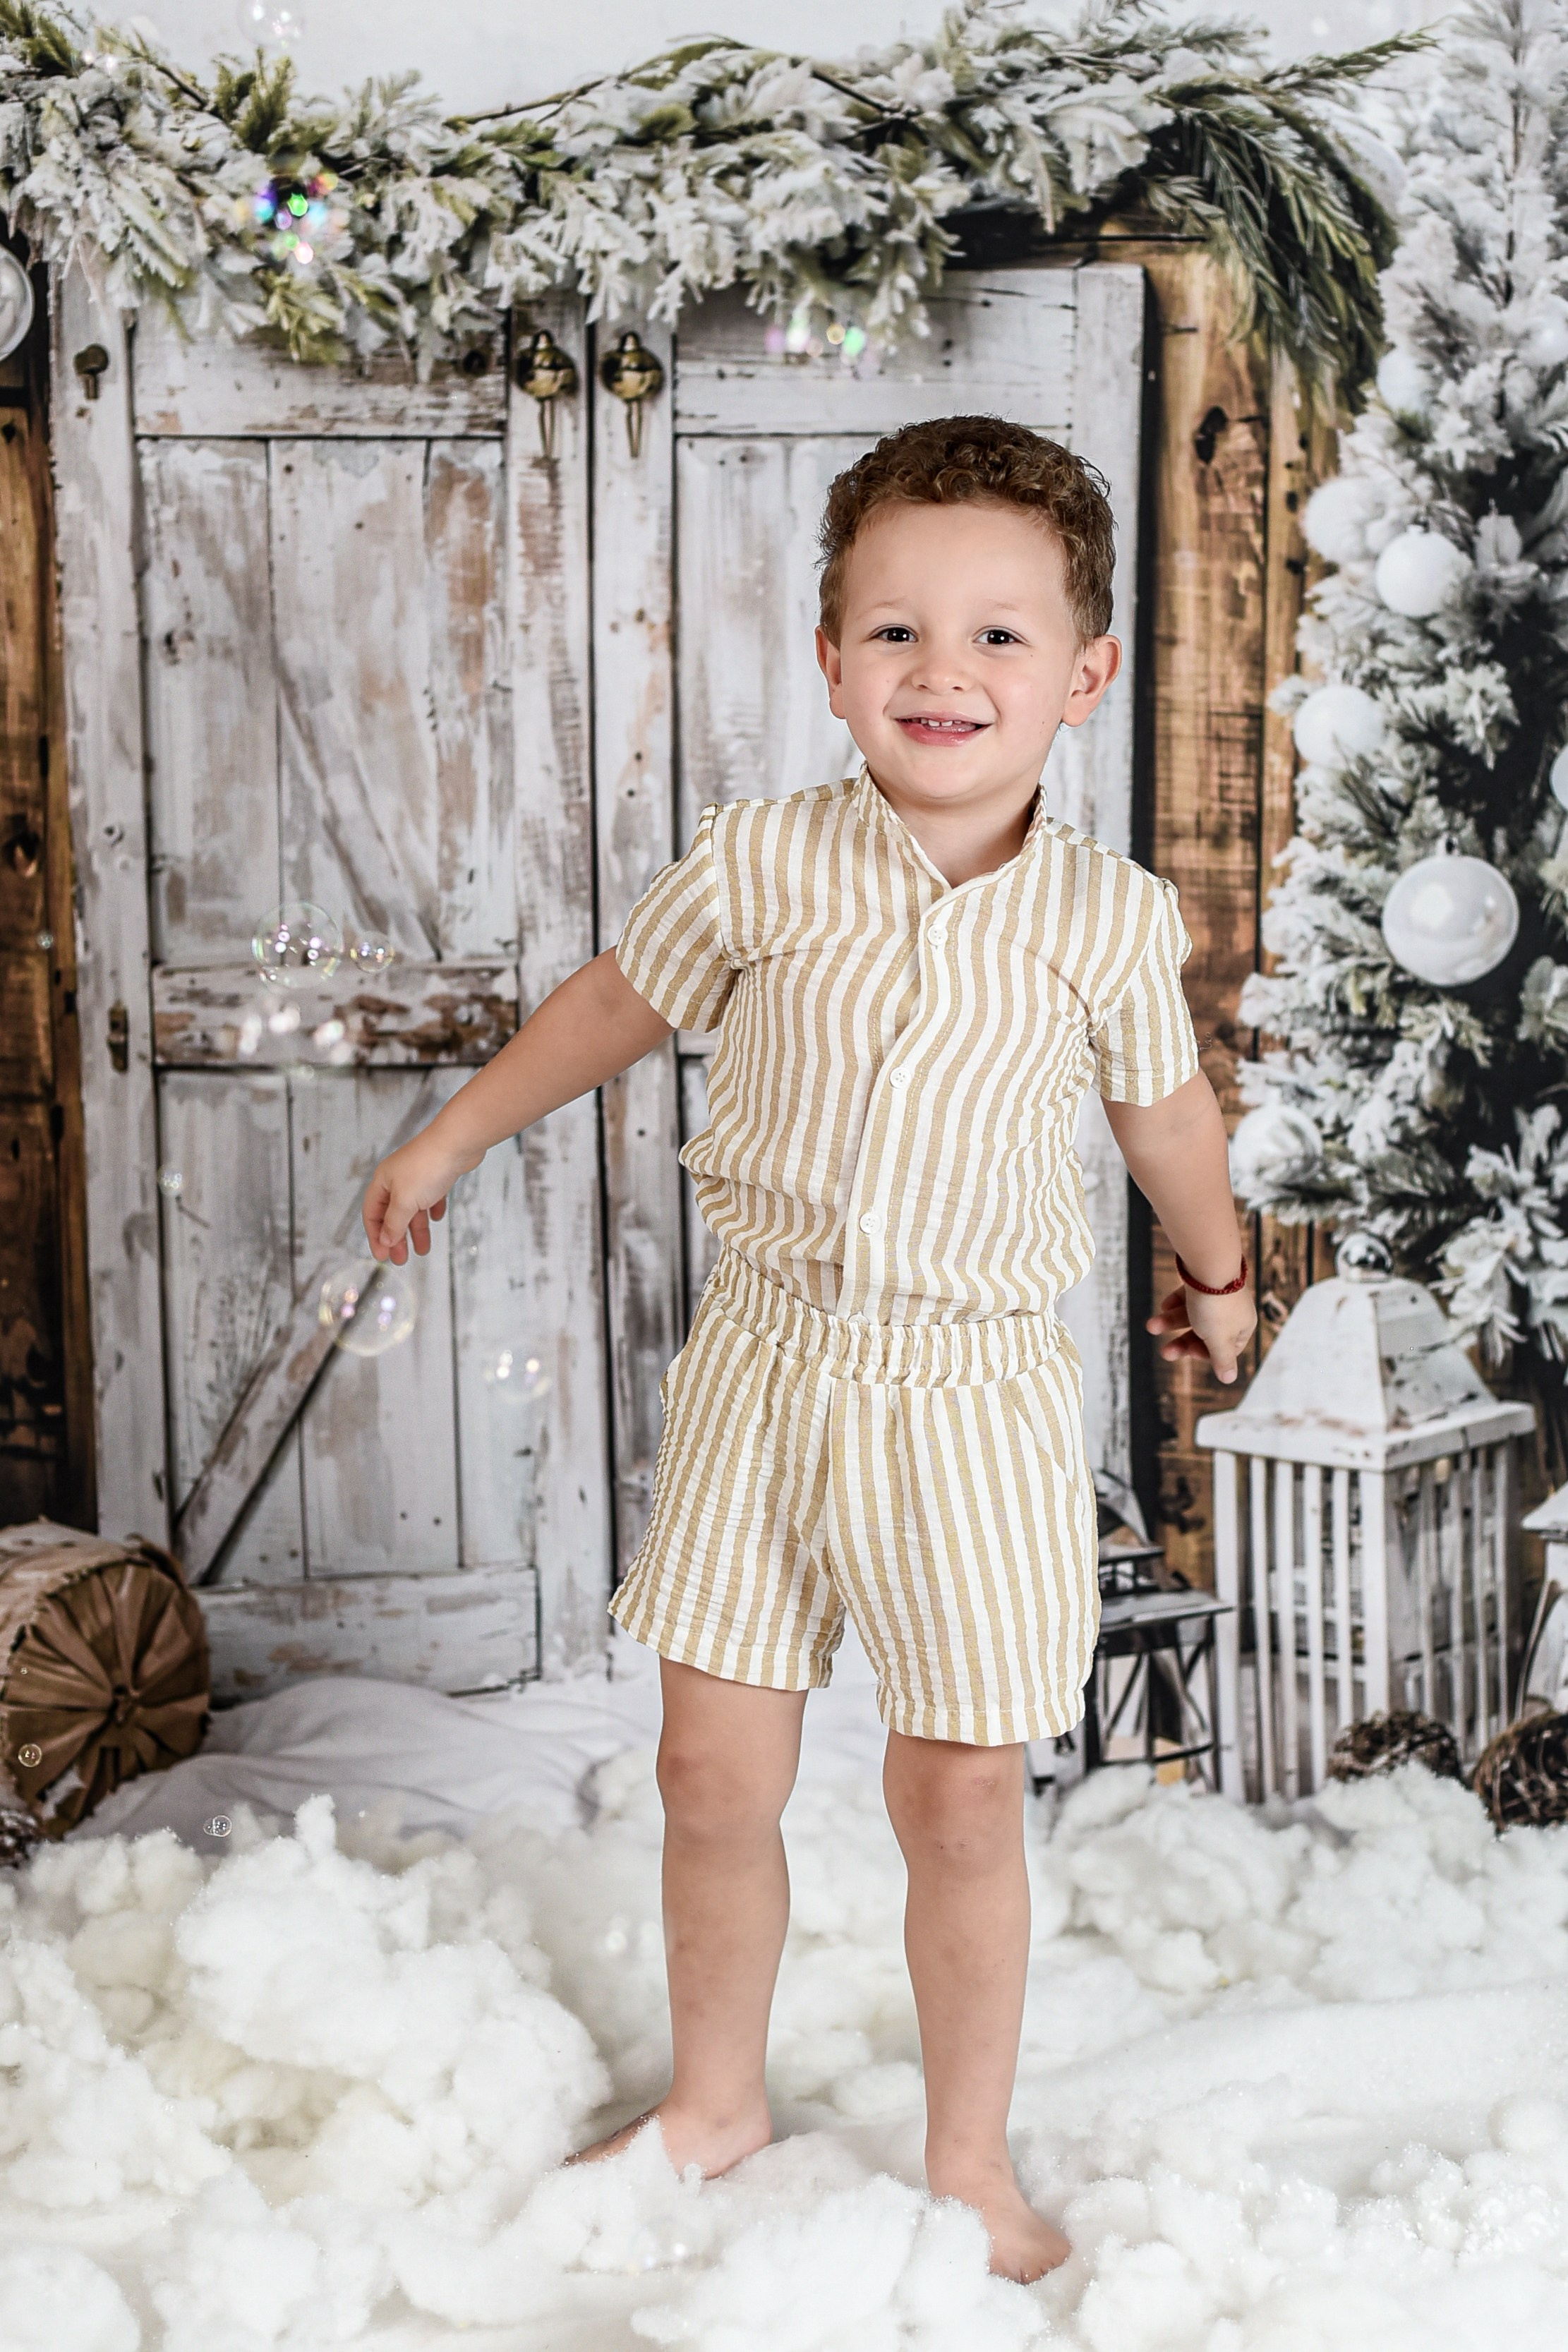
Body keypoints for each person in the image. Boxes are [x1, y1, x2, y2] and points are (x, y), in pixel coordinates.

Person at [362, 415, 1256, 2284]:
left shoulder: (1106, 918)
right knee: (711, 1771)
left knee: (953, 1793)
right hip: (766, 1376)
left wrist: (1224, 1271)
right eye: (897, 632)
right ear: (832, 660)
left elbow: (1165, 1126)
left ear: (1086, 674)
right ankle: (713, 2099)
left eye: (1002, 636)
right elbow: (614, 1004)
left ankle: (967, 2157)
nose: (946, 671)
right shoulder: (763, 863)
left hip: (976, 1396)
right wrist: (449, 1134)